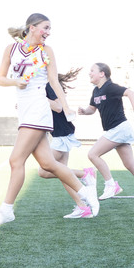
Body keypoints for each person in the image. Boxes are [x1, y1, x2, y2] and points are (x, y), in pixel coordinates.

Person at [0, 13, 100, 229]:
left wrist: (66, 107)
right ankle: (86, 188)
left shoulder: (46, 51)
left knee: (16, 160)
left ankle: (6, 210)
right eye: (45, 27)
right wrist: (16, 81)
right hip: (24, 109)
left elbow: (53, 81)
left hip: (38, 108)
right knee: (47, 164)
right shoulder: (11, 49)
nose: (48, 32)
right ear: (32, 27)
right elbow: (0, 79)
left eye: (49, 29)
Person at [78, 63, 134, 209]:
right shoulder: (96, 91)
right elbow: (92, 109)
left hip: (119, 128)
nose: (89, 73)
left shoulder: (110, 87)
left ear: (102, 73)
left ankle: (111, 185)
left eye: (92, 71)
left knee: (93, 154)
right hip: (116, 130)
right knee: (130, 164)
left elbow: (130, 93)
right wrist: (84, 111)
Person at [37, 68, 98, 219]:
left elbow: (57, 107)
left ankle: (85, 173)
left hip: (62, 135)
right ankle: (82, 207)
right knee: (62, 173)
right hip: (61, 133)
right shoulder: (48, 85)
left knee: (44, 171)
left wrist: (37, 97)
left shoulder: (48, 86)